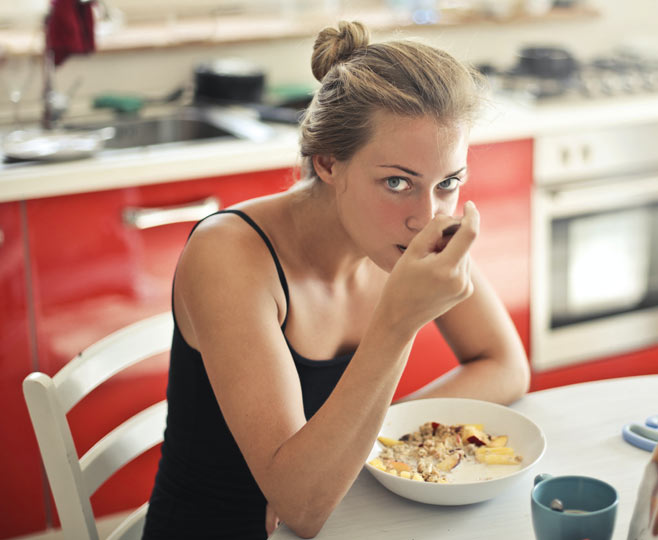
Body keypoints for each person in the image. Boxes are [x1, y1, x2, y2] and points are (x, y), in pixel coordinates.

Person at [142, 20, 530, 540]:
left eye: (448, 183)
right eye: (397, 182)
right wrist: (398, 323)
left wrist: (356, 445)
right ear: (328, 163)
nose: (427, 216)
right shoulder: (231, 256)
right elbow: (301, 507)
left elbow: (505, 366)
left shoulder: (413, 229)